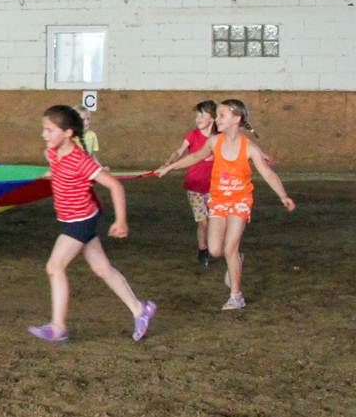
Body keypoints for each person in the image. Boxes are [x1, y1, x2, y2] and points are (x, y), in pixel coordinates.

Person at [28, 105, 155, 343]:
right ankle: (140, 310)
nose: (44, 135)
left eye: (49, 130)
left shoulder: (80, 160)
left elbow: (115, 185)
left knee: (54, 267)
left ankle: (58, 326)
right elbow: (59, 172)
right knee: (102, 268)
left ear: (67, 133)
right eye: (43, 129)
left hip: (81, 221)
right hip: (69, 219)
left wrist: (121, 220)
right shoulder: (53, 153)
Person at [155, 99, 294, 310]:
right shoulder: (214, 142)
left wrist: (283, 195)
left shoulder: (249, 147)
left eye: (221, 116)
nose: (217, 119)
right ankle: (236, 259)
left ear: (236, 119)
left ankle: (236, 296)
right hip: (218, 201)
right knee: (215, 250)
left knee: (230, 247)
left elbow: (267, 172)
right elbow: (195, 157)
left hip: (239, 200)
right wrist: (170, 167)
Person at [162, 100, 217, 266]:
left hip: (215, 189)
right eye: (197, 115)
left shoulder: (218, 139)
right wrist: (168, 163)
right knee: (203, 222)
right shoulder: (192, 136)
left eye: (202, 114)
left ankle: (215, 247)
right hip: (195, 188)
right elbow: (179, 151)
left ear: (213, 118)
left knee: (216, 222)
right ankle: (202, 250)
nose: (198, 118)